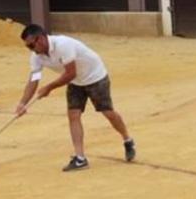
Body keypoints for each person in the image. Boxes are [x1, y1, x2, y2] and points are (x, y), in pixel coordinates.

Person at [14, 24, 135, 172]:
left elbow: (70, 73)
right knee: (73, 115)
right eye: (28, 47)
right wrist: (22, 103)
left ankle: (127, 139)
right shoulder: (36, 57)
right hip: (76, 82)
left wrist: (49, 87)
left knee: (108, 112)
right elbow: (34, 79)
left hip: (95, 76)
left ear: (41, 39)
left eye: (32, 45)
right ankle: (80, 158)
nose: (32, 50)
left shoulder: (63, 45)